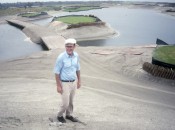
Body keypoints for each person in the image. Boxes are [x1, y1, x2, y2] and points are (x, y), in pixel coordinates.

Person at [54, 38, 81, 123]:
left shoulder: (76, 56)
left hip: (73, 82)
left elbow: (77, 68)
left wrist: (79, 81)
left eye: (71, 46)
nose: (69, 48)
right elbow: (56, 72)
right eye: (67, 46)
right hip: (64, 83)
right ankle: (59, 115)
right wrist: (58, 85)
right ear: (65, 47)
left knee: (71, 101)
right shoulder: (61, 57)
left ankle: (69, 115)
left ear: (74, 46)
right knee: (65, 103)